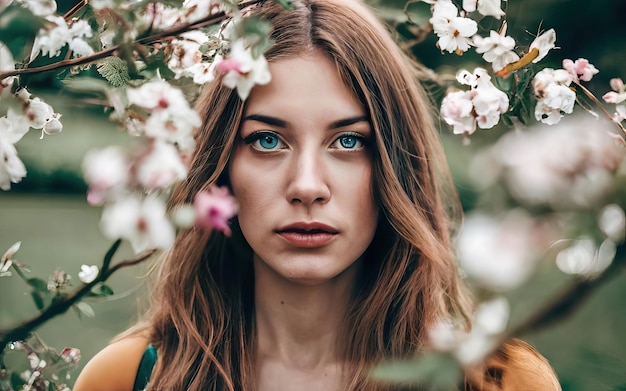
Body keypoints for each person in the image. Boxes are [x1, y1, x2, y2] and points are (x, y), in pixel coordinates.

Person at [74, 0, 561, 390]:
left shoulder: (502, 381)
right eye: (267, 140)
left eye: (349, 141)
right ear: (219, 168)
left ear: (395, 164)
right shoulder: (127, 378)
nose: (307, 186)